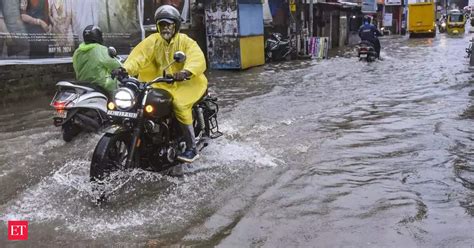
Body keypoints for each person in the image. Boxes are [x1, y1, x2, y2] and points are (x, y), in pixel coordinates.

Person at [113, 5, 207, 163]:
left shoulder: (186, 41)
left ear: (176, 25)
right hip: (161, 82)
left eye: (169, 24)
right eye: (162, 24)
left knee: (179, 104)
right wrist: (124, 69)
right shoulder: (153, 41)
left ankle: (191, 147)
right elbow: (138, 57)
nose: (165, 28)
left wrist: (186, 72)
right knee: (138, 101)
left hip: (188, 82)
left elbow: (196, 58)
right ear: (157, 25)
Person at [72, 25, 121, 96]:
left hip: (83, 85)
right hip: (101, 86)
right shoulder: (101, 49)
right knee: (118, 83)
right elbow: (115, 65)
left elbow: (76, 68)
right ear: (98, 36)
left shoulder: (77, 51)